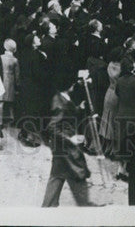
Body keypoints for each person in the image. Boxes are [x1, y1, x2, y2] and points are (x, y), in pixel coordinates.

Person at [42, 76, 97, 207]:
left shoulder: (61, 98)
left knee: (57, 177)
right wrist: (70, 139)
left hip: (60, 149)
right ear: (69, 86)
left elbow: (68, 115)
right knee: (78, 172)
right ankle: (85, 206)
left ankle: (47, 208)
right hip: (66, 148)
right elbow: (52, 127)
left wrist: (80, 109)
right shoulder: (60, 103)